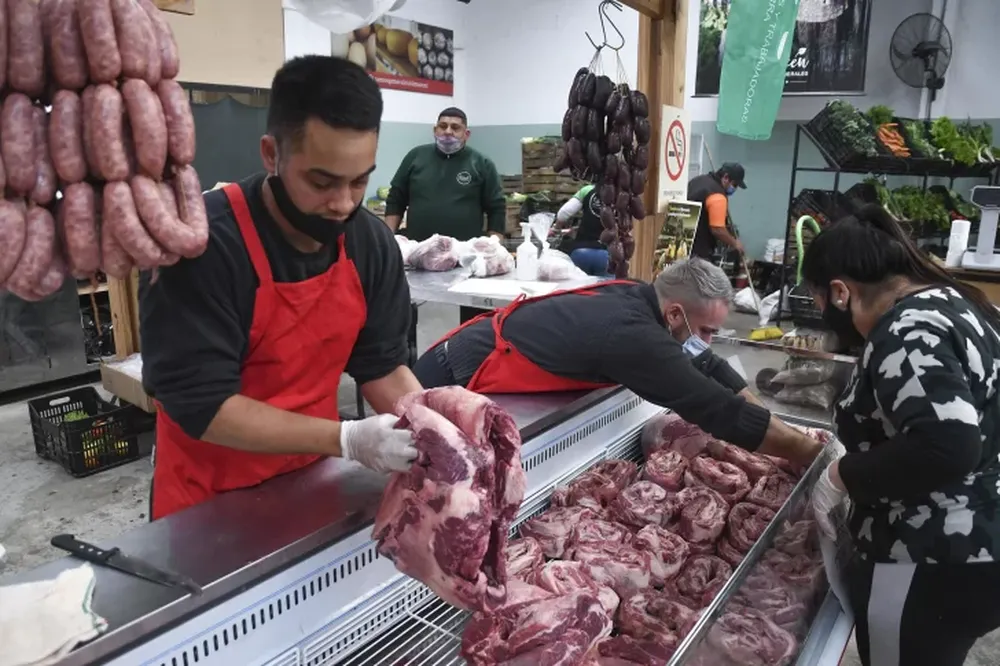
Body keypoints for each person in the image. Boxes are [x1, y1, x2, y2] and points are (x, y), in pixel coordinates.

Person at [139, 56, 423, 520]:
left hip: (309, 479)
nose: (343, 203)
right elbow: (202, 406)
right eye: (321, 181)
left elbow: (382, 365)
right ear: (271, 154)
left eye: (359, 181)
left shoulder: (369, 241)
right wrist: (347, 438)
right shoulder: (201, 246)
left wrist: (433, 427)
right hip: (205, 503)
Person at [805, 204, 1000, 666]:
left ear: (839, 291)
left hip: (930, 556)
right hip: (978, 545)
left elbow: (948, 444)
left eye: (815, 298)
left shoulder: (908, 328)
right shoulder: (959, 303)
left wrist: (841, 475)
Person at [411, 258, 822, 465]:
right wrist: (813, 455)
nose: (709, 340)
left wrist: (765, 412)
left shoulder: (645, 299)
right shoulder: (632, 335)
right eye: (707, 329)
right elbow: (714, 408)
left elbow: (705, 362)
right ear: (675, 315)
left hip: (484, 366)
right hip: (454, 377)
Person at [384, 107, 506, 242]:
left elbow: (497, 208)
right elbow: (396, 198)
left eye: (455, 127)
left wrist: (495, 246)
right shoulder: (415, 156)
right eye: (443, 126)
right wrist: (387, 238)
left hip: (465, 253)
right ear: (435, 130)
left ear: (466, 134)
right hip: (418, 249)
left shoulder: (481, 163)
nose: (448, 132)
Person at [688, 162, 746, 260]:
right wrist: (735, 243)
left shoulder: (697, 180)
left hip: (683, 244)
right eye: (734, 185)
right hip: (699, 254)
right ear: (726, 177)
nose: (735, 189)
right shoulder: (718, 196)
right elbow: (717, 230)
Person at [551, 184, 610, 277]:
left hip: (581, 252)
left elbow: (563, 213)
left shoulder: (588, 190)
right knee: (608, 289)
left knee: (579, 288)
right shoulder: (622, 194)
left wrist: (556, 228)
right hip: (607, 255)